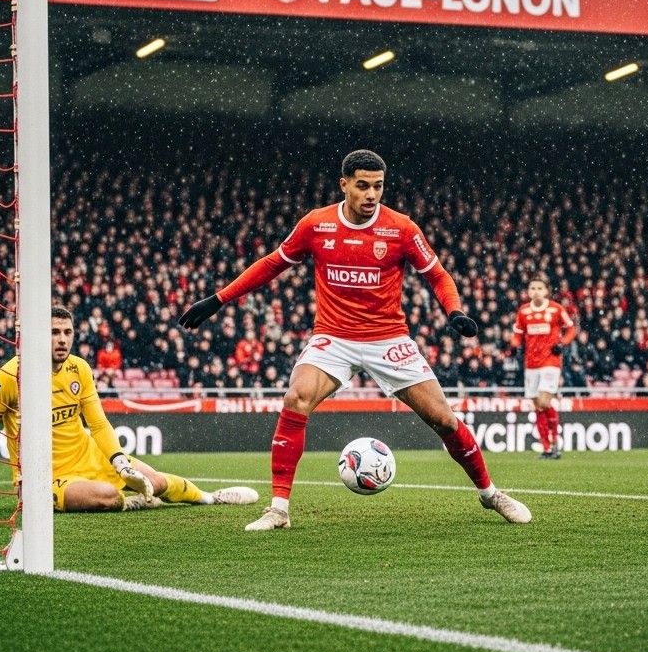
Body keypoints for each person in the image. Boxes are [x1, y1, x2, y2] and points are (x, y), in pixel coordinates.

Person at [179, 149, 531, 531]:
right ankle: (278, 510)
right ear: (344, 184)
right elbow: (272, 263)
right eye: (363, 186)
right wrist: (218, 300)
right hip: (333, 336)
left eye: (378, 186)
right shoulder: (317, 224)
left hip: (388, 338)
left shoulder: (401, 228)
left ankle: (490, 494)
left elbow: (438, 275)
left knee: (444, 420)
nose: (371, 194)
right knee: (296, 398)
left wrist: (454, 311)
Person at [0, 306, 259, 513]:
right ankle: (131, 502)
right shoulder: (10, 377)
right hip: (43, 476)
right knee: (109, 497)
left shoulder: (79, 369)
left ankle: (209, 497)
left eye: (67, 332)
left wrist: (119, 462)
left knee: (155, 481)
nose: (62, 340)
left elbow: (99, 424)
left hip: (89, 456)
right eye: (54, 333)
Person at [508, 275, 576, 459]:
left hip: (550, 362)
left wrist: (562, 343)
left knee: (544, 402)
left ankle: (555, 443)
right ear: (528, 291)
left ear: (546, 291)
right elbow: (517, 335)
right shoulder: (523, 311)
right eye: (532, 288)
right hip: (531, 363)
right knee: (538, 406)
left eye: (539, 288)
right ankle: (547, 448)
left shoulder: (556, 309)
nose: (536, 291)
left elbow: (571, 329)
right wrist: (513, 346)